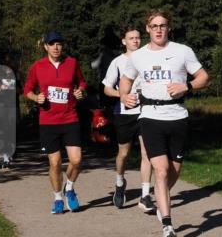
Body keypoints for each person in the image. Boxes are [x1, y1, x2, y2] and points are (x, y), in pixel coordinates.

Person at [118, 9, 210, 237]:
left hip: (178, 116)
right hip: (150, 116)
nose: (159, 29)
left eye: (163, 25)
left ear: (169, 28)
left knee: (173, 172)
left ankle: (161, 198)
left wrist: (186, 86)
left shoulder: (182, 51)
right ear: (147, 29)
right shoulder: (137, 56)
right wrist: (124, 96)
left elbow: (203, 77)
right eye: (154, 25)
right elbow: (125, 81)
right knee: (159, 171)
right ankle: (168, 225)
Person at [23, 31, 87, 214]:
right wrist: (36, 98)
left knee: (76, 160)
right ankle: (58, 198)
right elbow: (27, 89)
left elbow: (82, 83)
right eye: (52, 44)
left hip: (70, 118)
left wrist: (79, 91)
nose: (56, 47)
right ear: (46, 47)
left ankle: (70, 188)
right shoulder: (38, 66)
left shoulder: (72, 63)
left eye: (59, 43)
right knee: (55, 162)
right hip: (48, 121)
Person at [102, 24, 154, 211]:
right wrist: (122, 96)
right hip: (124, 113)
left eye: (138, 37)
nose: (135, 41)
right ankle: (119, 182)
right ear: (124, 41)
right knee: (123, 154)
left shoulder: (148, 59)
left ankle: (146, 195)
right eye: (131, 38)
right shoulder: (117, 62)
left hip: (146, 111)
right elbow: (107, 89)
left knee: (147, 153)